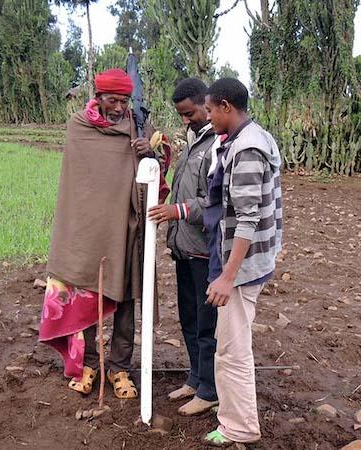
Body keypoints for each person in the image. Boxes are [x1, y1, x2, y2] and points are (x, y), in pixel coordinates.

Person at [39, 68, 167, 400]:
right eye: (112, 100)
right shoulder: (79, 127)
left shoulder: (141, 128)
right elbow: (77, 180)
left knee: (124, 296)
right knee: (85, 292)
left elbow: (160, 172)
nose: (119, 108)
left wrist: (150, 155)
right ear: (98, 97)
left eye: (124, 101)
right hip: (85, 228)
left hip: (126, 228)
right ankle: (89, 364)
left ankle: (119, 367)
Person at [201, 78, 283, 446]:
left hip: (243, 266)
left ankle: (240, 427)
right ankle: (236, 419)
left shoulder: (247, 149)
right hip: (249, 260)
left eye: (209, 110)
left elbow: (247, 218)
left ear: (225, 107)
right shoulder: (250, 138)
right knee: (230, 344)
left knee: (232, 349)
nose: (207, 117)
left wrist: (227, 277)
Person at [148, 78, 220, 416]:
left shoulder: (217, 147)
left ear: (206, 105)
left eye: (188, 113)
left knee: (207, 326)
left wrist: (176, 211)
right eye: (181, 115)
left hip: (205, 252)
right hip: (185, 249)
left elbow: (216, 203)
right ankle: (195, 378)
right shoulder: (194, 142)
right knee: (189, 319)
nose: (184, 120)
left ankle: (209, 390)